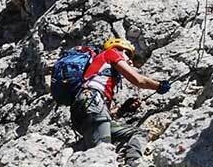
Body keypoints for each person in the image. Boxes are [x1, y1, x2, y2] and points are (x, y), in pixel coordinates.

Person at [70, 37, 170, 167]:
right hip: (92, 102)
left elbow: (100, 114)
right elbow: (138, 80)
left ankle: (133, 162)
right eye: (128, 54)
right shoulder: (111, 53)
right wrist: (159, 86)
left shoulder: (100, 71)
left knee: (139, 133)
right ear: (120, 49)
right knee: (103, 154)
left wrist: (122, 109)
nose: (129, 60)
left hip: (83, 110)